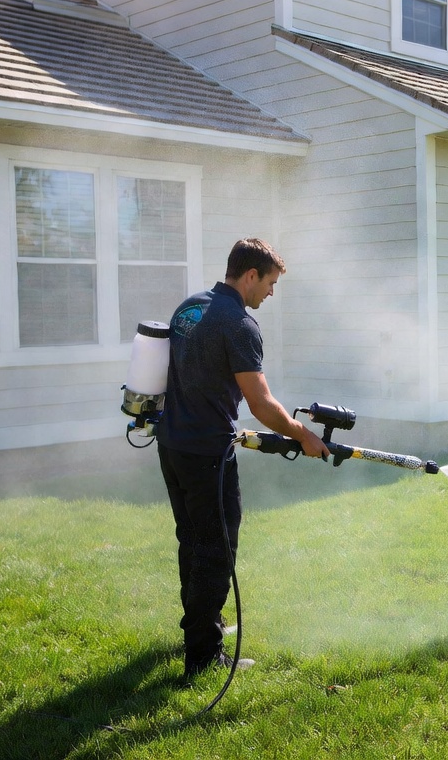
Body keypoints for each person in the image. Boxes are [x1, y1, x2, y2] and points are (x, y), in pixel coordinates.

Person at [156, 237, 329, 680]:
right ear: (251, 275)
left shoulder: (189, 308)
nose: (270, 293)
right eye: (270, 283)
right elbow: (261, 403)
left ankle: (200, 629)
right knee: (216, 551)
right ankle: (203, 657)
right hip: (207, 454)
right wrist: (303, 434)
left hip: (172, 445)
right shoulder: (238, 324)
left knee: (192, 541)